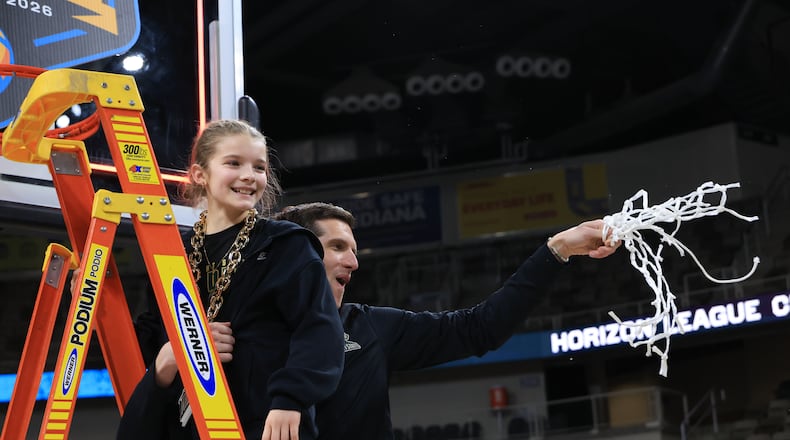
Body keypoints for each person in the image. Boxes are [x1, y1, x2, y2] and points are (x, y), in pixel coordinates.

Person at [272, 202, 620, 440]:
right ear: (297, 254)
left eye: (353, 250)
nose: (353, 262)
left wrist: (557, 249)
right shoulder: (236, 333)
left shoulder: (372, 327)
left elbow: (481, 328)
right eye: (337, 247)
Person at [116, 120, 344, 440]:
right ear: (199, 174)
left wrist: (290, 400)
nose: (249, 175)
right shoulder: (173, 254)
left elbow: (319, 329)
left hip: (266, 426)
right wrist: (102, 301)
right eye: (234, 163)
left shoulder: (287, 244)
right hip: (192, 427)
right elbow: (154, 338)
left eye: (260, 167)